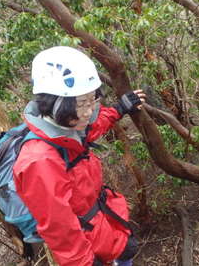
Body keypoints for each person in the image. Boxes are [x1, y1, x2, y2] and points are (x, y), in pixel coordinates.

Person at [13, 46, 145, 266]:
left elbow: (91, 127)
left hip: (102, 223)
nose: (87, 112)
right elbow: (60, 229)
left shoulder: (68, 128)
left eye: (91, 101)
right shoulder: (39, 161)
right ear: (52, 104)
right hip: (86, 242)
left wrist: (120, 108)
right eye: (79, 104)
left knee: (126, 255)